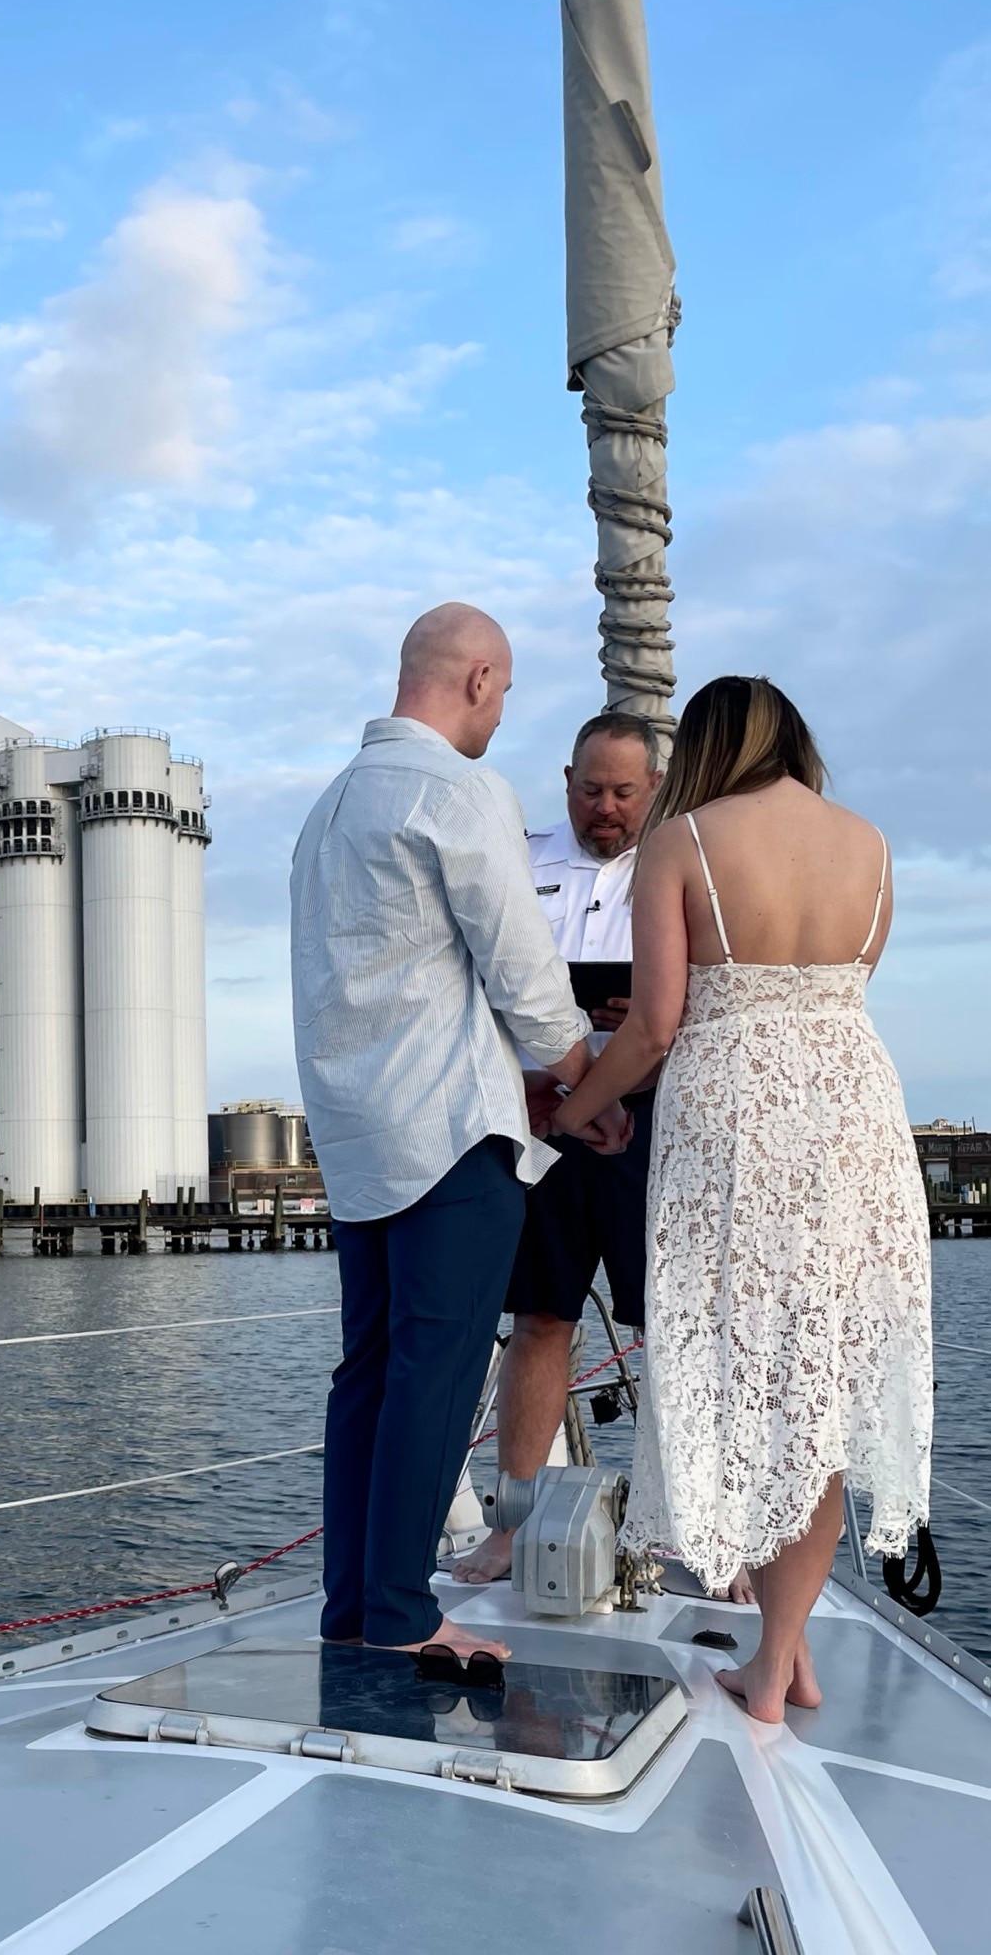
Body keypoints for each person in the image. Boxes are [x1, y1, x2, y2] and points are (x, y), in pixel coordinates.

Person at [551, 676, 932, 1722]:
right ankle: (786, 1652)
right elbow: (841, 993)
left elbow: (655, 1024)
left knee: (747, 1369)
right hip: (852, 1108)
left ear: (706, 750)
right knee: (820, 1376)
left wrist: (575, 1107)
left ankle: (770, 1669)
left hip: (734, 1118)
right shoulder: (871, 845)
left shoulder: (681, 842)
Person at [290, 602, 628, 1661]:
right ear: (478, 678)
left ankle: (351, 1604)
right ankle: (398, 1615)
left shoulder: (328, 808)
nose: (503, 708)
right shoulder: (459, 790)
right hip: (449, 1137)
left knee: (369, 1372)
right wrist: (583, 1079)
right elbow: (518, 962)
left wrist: (513, 1074)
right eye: (508, 688)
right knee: (434, 1371)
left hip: (357, 1128)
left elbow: (384, 983)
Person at [453, 711, 669, 1590]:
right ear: (565, 780)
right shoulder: (519, 857)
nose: (604, 809)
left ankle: (681, 1531)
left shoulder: (679, 865)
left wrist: (649, 1021)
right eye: (589, 789)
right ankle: (513, 1525)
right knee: (539, 1318)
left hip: (644, 1120)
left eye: (622, 792)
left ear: (652, 789)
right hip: (537, 1117)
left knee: (666, 1328)